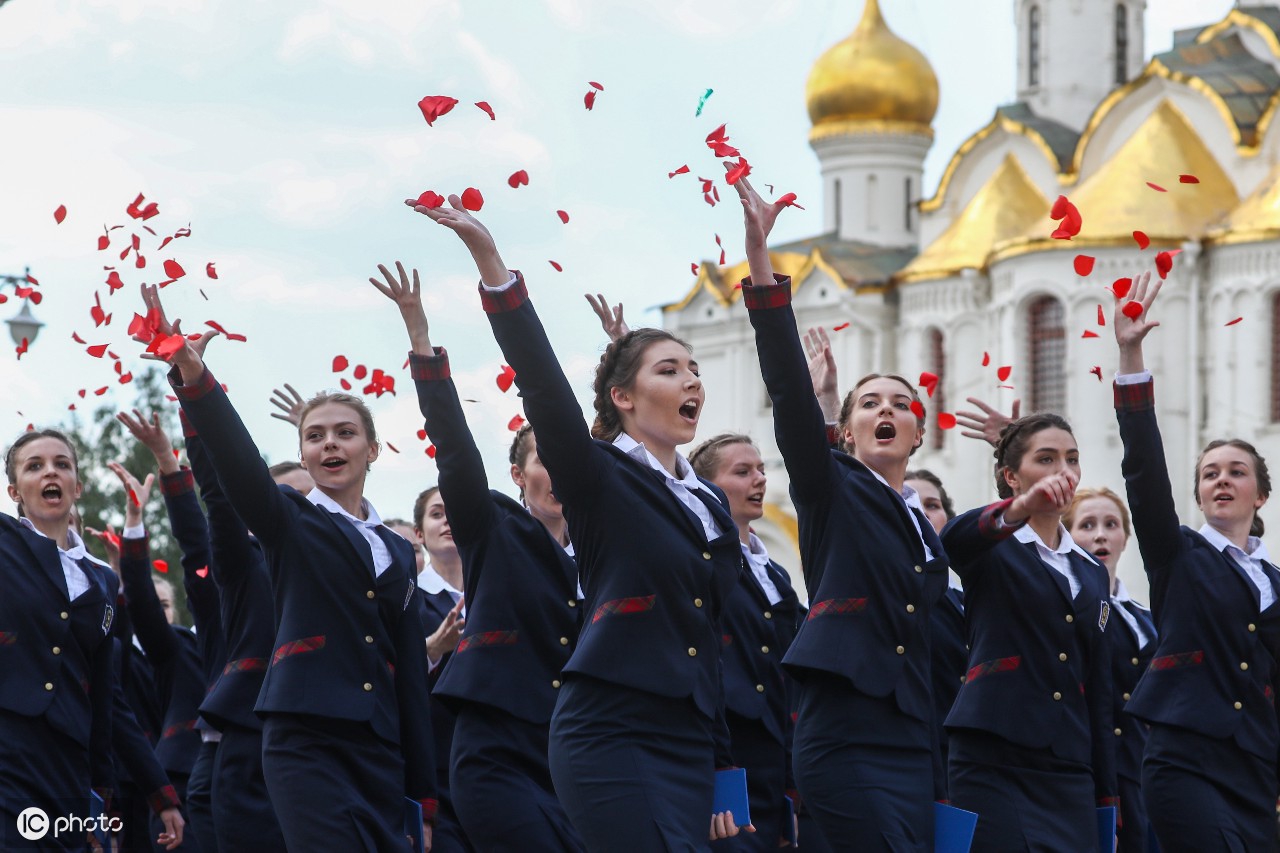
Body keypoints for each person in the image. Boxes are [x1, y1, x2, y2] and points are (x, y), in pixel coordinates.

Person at [406, 193, 748, 850]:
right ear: (622, 398)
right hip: (610, 730)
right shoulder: (599, 476)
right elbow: (541, 385)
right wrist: (491, 262)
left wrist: (724, 767)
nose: (690, 382)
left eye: (694, 370)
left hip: (686, 739)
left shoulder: (706, 507)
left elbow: (704, 639)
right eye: (668, 370)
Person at [134, 283, 437, 852]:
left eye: (345, 433)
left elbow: (412, 679)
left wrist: (423, 797)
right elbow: (236, 470)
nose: (330, 445)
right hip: (303, 739)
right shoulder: (289, 520)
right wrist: (197, 381)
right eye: (314, 436)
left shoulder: (397, 551)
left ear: (373, 450)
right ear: (301, 453)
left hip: (379, 748)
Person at [732, 169, 948, 850]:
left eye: (902, 404)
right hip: (845, 732)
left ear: (919, 432)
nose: (888, 411)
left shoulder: (924, 521)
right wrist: (763, 266)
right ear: (847, 432)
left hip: (913, 737)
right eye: (870, 404)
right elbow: (792, 400)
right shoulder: (831, 488)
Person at [373, 260, 584, 851]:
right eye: (545, 456)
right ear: (518, 474)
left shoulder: (606, 549)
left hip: (586, 754)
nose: (562, 466)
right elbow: (457, 455)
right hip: (501, 756)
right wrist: (421, 341)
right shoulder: (496, 529)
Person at [1112, 271, 1280, 851]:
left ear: (1260, 495)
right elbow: (1143, 470)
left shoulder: (1274, 580)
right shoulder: (1178, 553)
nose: (1222, 481)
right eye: (1211, 474)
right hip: (1185, 759)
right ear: (1200, 493)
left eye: (1237, 472)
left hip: (1257, 770)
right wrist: (1131, 354)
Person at [941, 413, 1117, 850]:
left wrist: (1107, 798)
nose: (1063, 471)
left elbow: (1097, 686)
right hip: (994, 756)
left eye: (1071, 459)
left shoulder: (1091, 571)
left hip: (1068, 768)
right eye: (1046, 458)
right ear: (1011, 478)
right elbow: (955, 540)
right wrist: (1020, 507)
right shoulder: (994, 547)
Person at [0, 428, 137, 850]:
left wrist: (103, 786)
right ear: (14, 490)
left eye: (62, 464)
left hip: (68, 758)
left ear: (78, 485)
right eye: (34, 466)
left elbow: (104, 693)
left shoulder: (103, 579)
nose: (50, 473)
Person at [689, 432, 803, 850]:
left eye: (760, 470)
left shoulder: (774, 573)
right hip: (727, 752)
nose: (759, 480)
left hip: (773, 759)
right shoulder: (697, 563)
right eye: (742, 471)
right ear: (707, 488)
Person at [1065, 486, 1157, 852]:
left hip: (1143, 774)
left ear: (1125, 537)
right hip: (1089, 772)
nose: (1100, 534)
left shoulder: (1145, 618)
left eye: (1110, 524)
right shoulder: (1069, 609)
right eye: (1087, 525)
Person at [904, 469, 966, 798]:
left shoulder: (968, 595)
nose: (923, 513)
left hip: (969, 759)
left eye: (932, 504)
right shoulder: (893, 591)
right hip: (914, 755)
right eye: (909, 503)